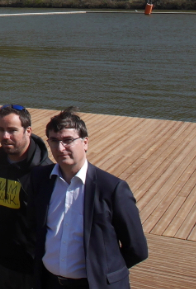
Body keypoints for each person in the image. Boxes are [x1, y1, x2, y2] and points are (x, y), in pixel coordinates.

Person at [30, 108, 148, 289]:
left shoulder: (112, 188)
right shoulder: (40, 179)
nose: (60, 148)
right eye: (54, 141)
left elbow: (137, 249)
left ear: (85, 142)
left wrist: (105, 272)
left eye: (68, 140)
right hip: (49, 282)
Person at [0, 104, 53, 289]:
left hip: (30, 267)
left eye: (12, 130)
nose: (5, 136)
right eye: (1, 130)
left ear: (28, 131)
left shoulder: (44, 172)